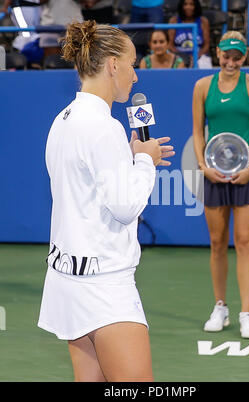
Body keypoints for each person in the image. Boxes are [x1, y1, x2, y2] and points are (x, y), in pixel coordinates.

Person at [37, 20, 174, 382]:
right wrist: (145, 160)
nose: (135, 75)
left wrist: (128, 158)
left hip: (67, 278)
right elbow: (125, 207)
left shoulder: (63, 119)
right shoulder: (103, 126)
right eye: (132, 64)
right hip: (103, 285)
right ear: (113, 64)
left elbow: (86, 192)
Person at [192, 31, 249, 339]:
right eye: (227, 56)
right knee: (216, 241)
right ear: (219, 54)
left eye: (237, 57)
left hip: (247, 172)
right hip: (214, 171)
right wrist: (203, 167)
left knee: (244, 240)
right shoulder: (201, 87)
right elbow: (198, 131)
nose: (231, 62)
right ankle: (220, 307)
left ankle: (246, 314)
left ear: (244, 58)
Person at [168, 0, 212, 68]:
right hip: (178, 55)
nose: (188, 7)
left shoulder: (203, 21)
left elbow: (207, 45)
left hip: (199, 55)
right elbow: (170, 45)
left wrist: (196, 56)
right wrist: (183, 57)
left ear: (196, 6)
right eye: (185, 4)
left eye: (192, 4)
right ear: (181, 6)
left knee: (204, 65)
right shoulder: (174, 21)